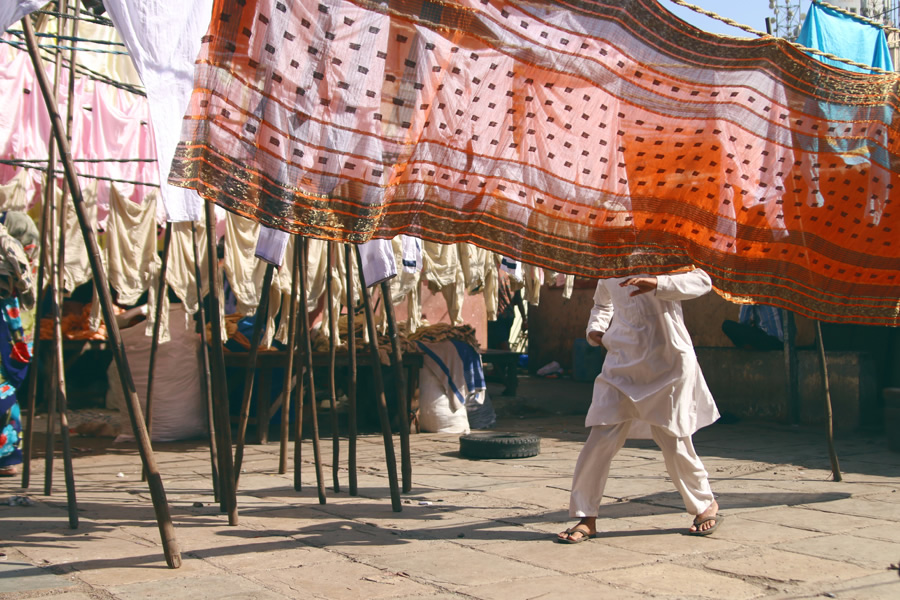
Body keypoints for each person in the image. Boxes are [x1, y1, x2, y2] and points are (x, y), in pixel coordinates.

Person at [557, 267, 722, 543]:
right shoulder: (608, 260)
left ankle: (705, 505)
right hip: (621, 359)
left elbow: (703, 281)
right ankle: (586, 517)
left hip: (668, 358)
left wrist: (659, 282)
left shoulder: (663, 252)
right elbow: (602, 302)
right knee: (600, 437)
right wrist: (595, 329)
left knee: (673, 439)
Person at [722, 304, 791, 351]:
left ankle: (747, 347)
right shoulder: (778, 289)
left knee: (727, 325)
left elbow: (743, 321)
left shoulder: (753, 290)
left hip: (770, 341)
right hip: (785, 343)